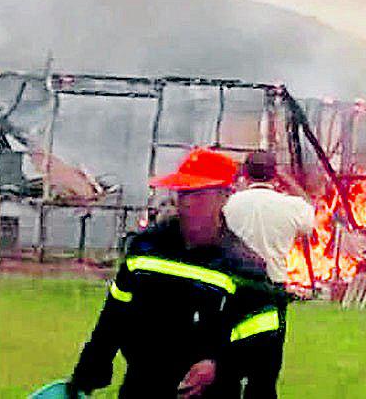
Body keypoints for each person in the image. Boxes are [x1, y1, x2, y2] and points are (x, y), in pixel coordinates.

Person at [68, 148, 285, 398]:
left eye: (198, 194)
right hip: (142, 387)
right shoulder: (146, 248)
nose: (187, 203)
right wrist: (86, 376)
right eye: (183, 193)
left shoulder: (243, 267)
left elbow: (263, 343)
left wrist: (221, 366)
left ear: (224, 196)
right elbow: (114, 316)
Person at [223, 150, 316, 398]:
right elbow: (310, 215)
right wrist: (289, 182)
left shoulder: (229, 204)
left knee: (226, 366)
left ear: (244, 173)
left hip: (232, 288)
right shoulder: (292, 206)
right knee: (265, 372)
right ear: (275, 174)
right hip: (272, 292)